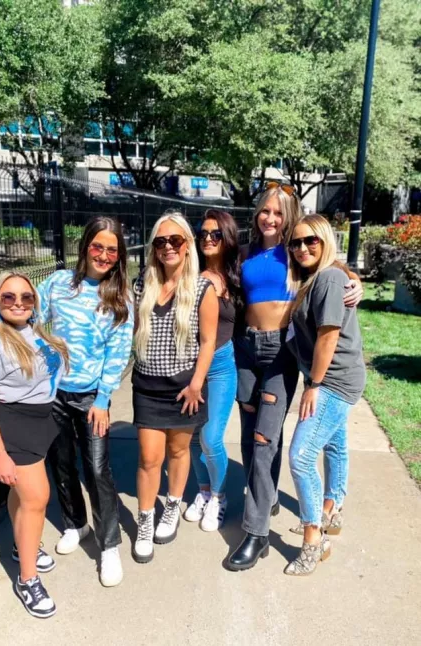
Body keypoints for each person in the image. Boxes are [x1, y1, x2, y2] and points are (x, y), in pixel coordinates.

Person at [226, 183, 363, 571]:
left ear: (287, 217)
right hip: (246, 348)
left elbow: (334, 268)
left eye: (278, 212)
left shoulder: (295, 251)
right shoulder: (245, 253)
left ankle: (256, 533)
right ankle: (266, 497)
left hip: (280, 353)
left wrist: (357, 282)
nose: (270, 218)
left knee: (265, 439)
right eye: (264, 211)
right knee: (249, 436)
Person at [37, 216, 133, 587]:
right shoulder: (59, 283)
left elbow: (118, 352)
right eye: (97, 247)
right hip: (54, 394)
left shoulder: (120, 297)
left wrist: (104, 398)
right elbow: (33, 317)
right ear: (85, 247)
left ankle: (109, 546)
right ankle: (76, 524)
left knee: (97, 469)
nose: (103, 256)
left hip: (93, 397)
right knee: (61, 462)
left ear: (119, 255)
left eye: (112, 250)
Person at [0, 271, 68, 618]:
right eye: (8, 297)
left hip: (37, 420)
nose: (19, 303)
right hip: (10, 423)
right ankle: (28, 580)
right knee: (37, 497)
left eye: (26, 297)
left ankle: (21, 546)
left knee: (23, 496)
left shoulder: (33, 331)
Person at [131, 211, 218, 563]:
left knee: (179, 451)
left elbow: (208, 342)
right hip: (147, 386)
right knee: (149, 458)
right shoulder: (141, 285)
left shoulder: (202, 289)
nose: (168, 246)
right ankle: (145, 520)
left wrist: (197, 384)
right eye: (161, 241)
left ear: (187, 245)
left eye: (175, 240)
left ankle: (172, 506)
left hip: (185, 389)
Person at [284, 214, 366, 575]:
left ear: (325, 241)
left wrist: (314, 385)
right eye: (296, 243)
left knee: (301, 456)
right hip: (332, 377)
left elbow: (328, 336)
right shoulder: (316, 277)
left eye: (310, 241)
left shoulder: (330, 278)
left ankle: (313, 539)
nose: (302, 248)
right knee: (335, 444)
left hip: (334, 381)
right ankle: (332, 509)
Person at [185, 209, 242, 531]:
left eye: (216, 234)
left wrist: (348, 273)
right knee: (193, 438)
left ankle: (220, 496)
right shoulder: (189, 273)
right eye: (203, 233)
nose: (208, 238)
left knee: (211, 437)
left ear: (227, 238)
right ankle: (204, 492)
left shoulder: (238, 274)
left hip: (221, 365)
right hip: (190, 365)